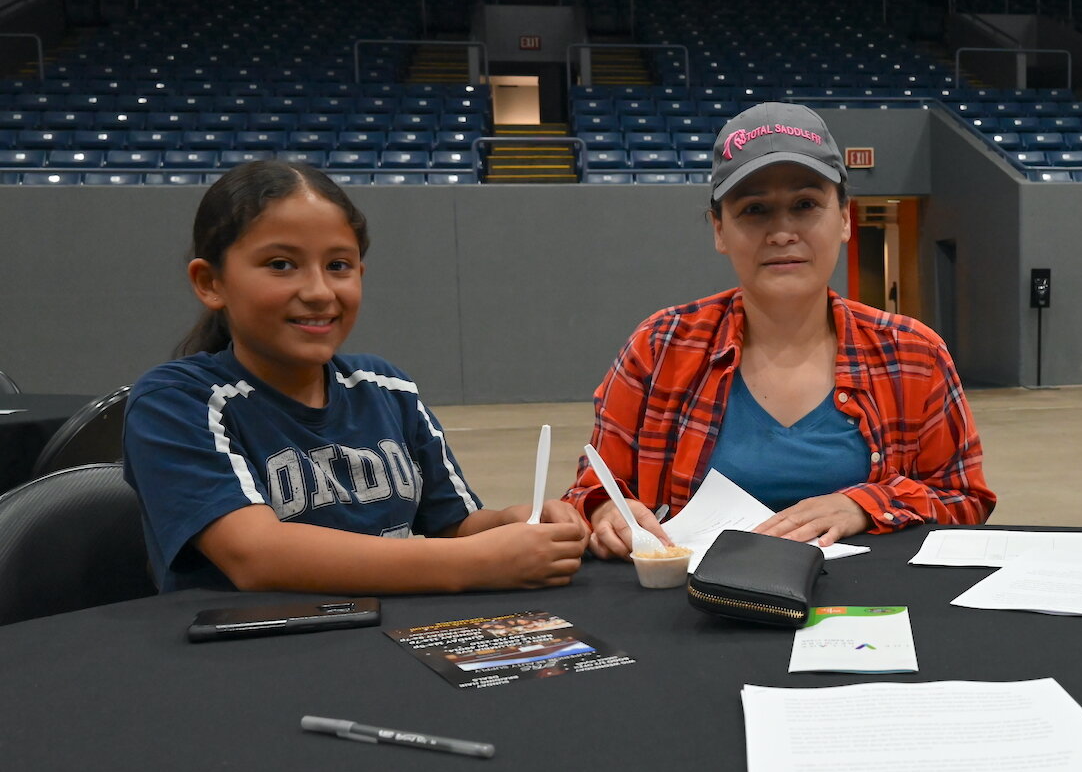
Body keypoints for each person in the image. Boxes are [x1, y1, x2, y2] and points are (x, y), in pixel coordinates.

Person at [124, 160, 587, 593]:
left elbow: (456, 525)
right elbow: (255, 556)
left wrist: (517, 522)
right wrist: (477, 562)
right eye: (280, 265)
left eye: (338, 266)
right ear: (211, 282)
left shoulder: (388, 388)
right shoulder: (176, 401)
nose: (319, 292)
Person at [565, 101, 995, 558]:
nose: (782, 232)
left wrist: (865, 505)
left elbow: (965, 500)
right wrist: (604, 513)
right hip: (698, 613)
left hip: (866, 613)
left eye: (805, 205)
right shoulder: (660, 346)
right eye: (754, 210)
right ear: (719, 230)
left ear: (845, 218)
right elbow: (593, 488)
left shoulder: (914, 354)